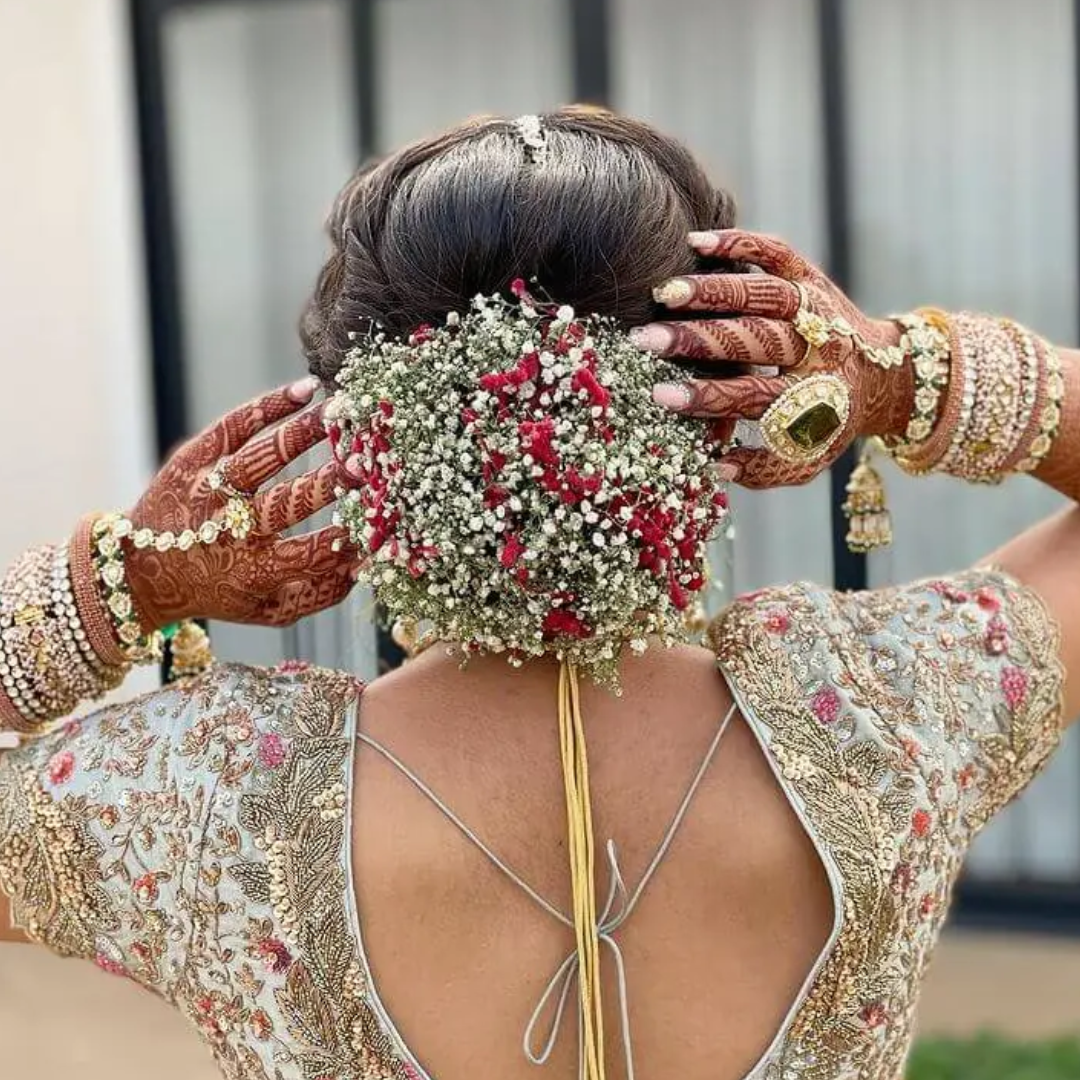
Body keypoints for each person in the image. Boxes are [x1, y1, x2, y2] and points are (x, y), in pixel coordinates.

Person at [0, 106, 1076, 1080]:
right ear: (718, 400)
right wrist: (905, 375)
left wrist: (118, 588)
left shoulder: (212, 798)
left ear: (367, 432)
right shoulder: (885, 711)